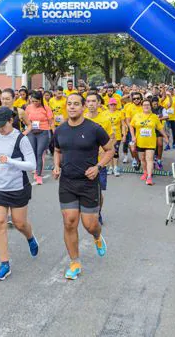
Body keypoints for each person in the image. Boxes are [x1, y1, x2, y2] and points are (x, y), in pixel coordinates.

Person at [52, 93, 112, 280]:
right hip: (68, 182)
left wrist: (98, 167)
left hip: (88, 183)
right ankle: (75, 262)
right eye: (69, 104)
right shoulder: (60, 130)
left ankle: (97, 236)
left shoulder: (94, 129)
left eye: (76, 104)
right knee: (69, 221)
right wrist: (56, 165)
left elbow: (110, 149)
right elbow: (57, 149)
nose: (72, 107)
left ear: (83, 106)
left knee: (90, 225)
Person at [0, 107, 38, 281]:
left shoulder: (21, 139)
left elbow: (32, 165)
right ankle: (4, 263)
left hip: (17, 187)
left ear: (10, 121)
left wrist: (11, 161)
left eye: (2, 125)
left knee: (19, 223)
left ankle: (30, 237)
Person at [84, 94, 114, 223]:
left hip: (99, 162)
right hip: (83, 161)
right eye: (88, 101)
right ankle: (85, 212)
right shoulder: (82, 118)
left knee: (97, 191)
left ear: (99, 103)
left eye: (94, 101)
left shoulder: (106, 119)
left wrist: (104, 148)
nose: (91, 104)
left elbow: (112, 139)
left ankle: (98, 213)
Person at [129, 98, 168, 185]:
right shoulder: (137, 116)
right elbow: (131, 126)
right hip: (140, 141)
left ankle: (149, 177)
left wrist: (165, 136)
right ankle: (145, 172)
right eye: (144, 105)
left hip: (150, 142)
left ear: (150, 106)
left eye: (148, 105)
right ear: (142, 107)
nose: (146, 106)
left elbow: (160, 128)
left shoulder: (154, 117)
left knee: (149, 159)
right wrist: (133, 136)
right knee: (142, 159)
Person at [24, 90, 53, 185]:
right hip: (32, 133)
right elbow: (25, 120)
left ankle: (39, 175)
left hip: (43, 132)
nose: (35, 103)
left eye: (37, 101)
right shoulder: (28, 107)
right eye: (33, 101)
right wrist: (28, 125)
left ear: (40, 100)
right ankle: (35, 169)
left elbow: (51, 121)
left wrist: (54, 132)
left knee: (39, 153)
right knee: (33, 152)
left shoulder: (46, 108)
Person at [106, 98, 126, 177]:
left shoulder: (120, 113)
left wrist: (124, 135)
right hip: (107, 136)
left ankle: (115, 167)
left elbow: (123, 125)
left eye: (114, 104)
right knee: (108, 152)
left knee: (115, 152)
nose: (113, 106)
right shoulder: (105, 113)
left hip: (116, 136)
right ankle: (110, 167)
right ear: (108, 105)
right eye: (111, 104)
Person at [125, 91, 144, 168]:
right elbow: (128, 121)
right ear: (132, 100)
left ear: (141, 99)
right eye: (134, 98)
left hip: (143, 129)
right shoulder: (129, 107)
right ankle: (136, 159)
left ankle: (146, 162)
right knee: (132, 148)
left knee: (143, 148)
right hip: (132, 129)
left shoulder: (144, 106)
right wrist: (132, 133)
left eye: (138, 98)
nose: (136, 100)